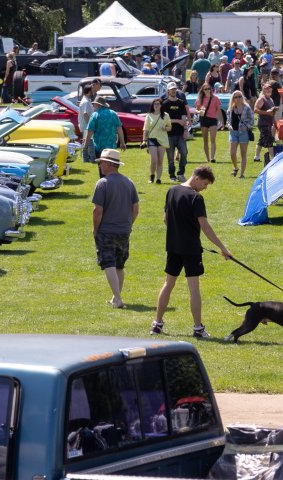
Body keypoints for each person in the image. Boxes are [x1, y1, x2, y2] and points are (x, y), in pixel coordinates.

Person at [151, 165, 232, 338]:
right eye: (205, 184)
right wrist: (222, 248)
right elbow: (205, 226)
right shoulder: (196, 198)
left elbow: (165, 219)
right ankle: (197, 328)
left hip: (173, 246)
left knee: (168, 284)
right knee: (194, 288)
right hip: (191, 249)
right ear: (197, 178)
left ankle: (157, 324)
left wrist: (178, 232)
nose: (205, 188)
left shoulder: (171, 191)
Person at [92, 148, 139, 309]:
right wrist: (128, 224)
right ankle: (115, 296)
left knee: (109, 263)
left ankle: (118, 298)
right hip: (124, 230)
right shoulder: (129, 182)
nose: (100, 166)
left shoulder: (102, 183)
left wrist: (95, 229)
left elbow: (97, 211)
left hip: (106, 230)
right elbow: (135, 209)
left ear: (109, 164)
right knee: (119, 264)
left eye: (102, 163)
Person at [87, 96, 126, 172]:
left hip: (99, 147)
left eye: (94, 104)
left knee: (102, 168)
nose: (93, 106)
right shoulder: (113, 114)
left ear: (98, 105)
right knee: (113, 167)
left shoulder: (95, 115)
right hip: (112, 146)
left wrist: (85, 145)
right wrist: (122, 142)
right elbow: (119, 129)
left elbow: (90, 131)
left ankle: (103, 182)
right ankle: (113, 181)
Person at [161, 84, 190, 181]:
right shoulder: (164, 104)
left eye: (175, 89)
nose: (173, 91)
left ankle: (181, 173)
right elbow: (164, 120)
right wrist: (177, 121)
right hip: (169, 134)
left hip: (180, 133)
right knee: (170, 157)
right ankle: (172, 175)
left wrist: (185, 130)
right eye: (171, 89)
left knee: (184, 152)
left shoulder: (181, 103)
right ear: (168, 91)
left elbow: (184, 117)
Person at [226, 90, 254, 177]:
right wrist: (229, 126)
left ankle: (242, 174)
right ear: (233, 98)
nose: (238, 98)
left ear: (242, 97)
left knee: (243, 153)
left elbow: (252, 119)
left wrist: (247, 127)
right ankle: (236, 168)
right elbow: (228, 120)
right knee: (232, 153)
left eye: (240, 96)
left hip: (244, 133)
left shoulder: (247, 107)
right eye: (236, 97)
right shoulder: (231, 108)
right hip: (233, 132)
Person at [144, 97, 171, 184]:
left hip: (162, 140)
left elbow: (170, 128)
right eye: (154, 104)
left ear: (161, 105)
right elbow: (146, 129)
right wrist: (144, 140)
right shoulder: (149, 115)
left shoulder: (166, 115)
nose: (156, 105)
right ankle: (152, 175)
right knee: (154, 159)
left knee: (160, 160)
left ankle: (158, 179)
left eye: (158, 104)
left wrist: (165, 128)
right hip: (152, 139)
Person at [195, 83, 221, 163]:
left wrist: (222, 121)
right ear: (202, 90)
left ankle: (212, 157)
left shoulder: (215, 98)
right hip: (204, 119)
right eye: (205, 89)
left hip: (213, 119)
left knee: (213, 139)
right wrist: (199, 112)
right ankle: (208, 158)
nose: (207, 90)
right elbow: (196, 109)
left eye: (209, 89)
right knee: (205, 140)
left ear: (211, 89)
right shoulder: (200, 99)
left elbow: (218, 110)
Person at [78, 84, 99, 163]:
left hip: (86, 125)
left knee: (86, 142)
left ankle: (86, 159)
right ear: (89, 92)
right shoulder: (85, 102)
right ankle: (92, 159)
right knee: (89, 143)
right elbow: (85, 114)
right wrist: (90, 126)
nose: (93, 93)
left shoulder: (87, 100)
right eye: (92, 91)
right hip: (86, 126)